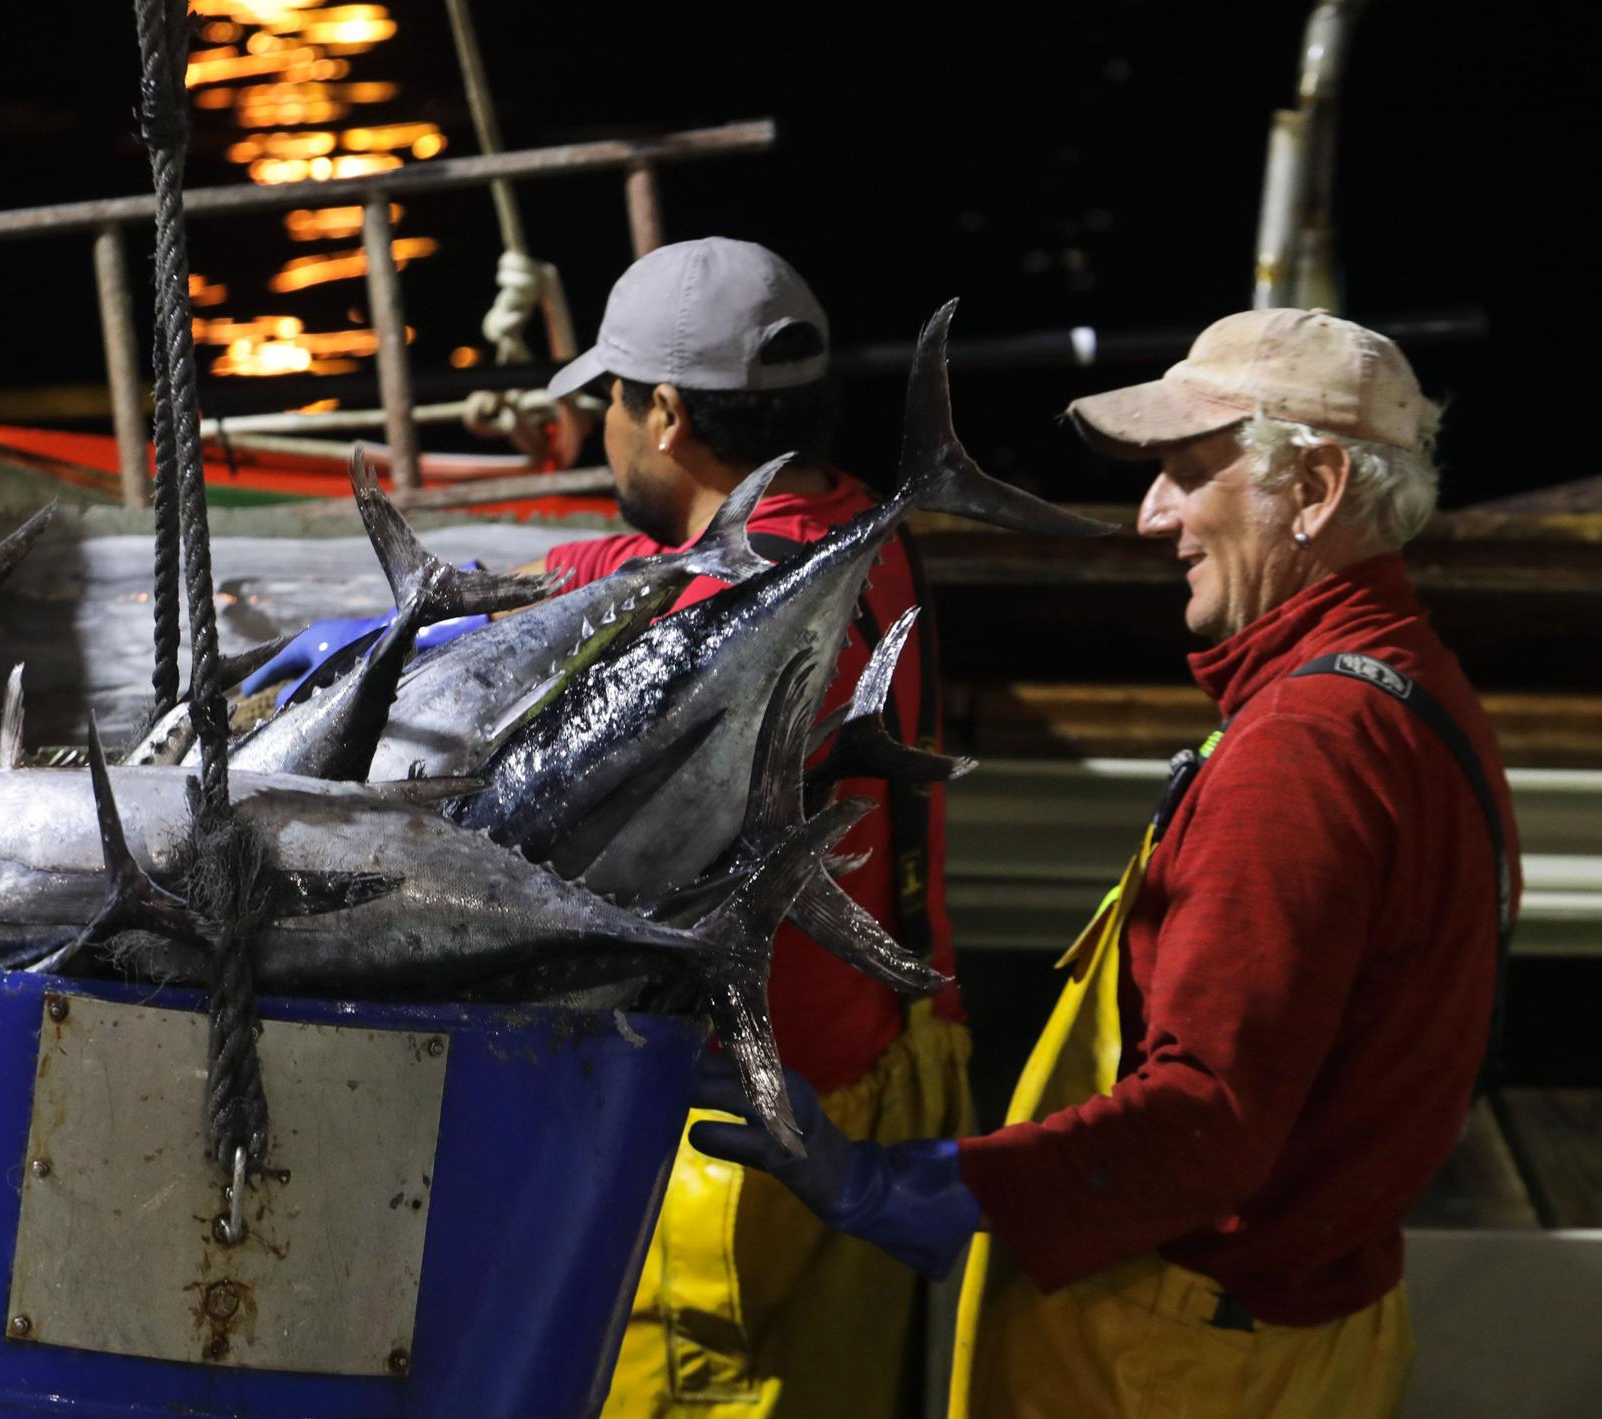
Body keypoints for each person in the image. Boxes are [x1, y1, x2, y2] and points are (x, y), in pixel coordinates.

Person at [690, 307, 1519, 1419]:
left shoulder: (1301, 757)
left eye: (1185, 473)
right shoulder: (1412, 684)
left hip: (1181, 1366)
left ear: (1314, 488)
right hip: (1319, 1332)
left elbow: (1204, 1120)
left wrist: (905, 1186)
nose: (1150, 517)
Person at [528, 238, 973, 1418]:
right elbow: (667, 558)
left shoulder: (711, 627)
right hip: (882, 1071)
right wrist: (559, 573)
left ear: (663, 414)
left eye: (610, 404)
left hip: (747, 1147)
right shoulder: (864, 534)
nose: (600, 436)